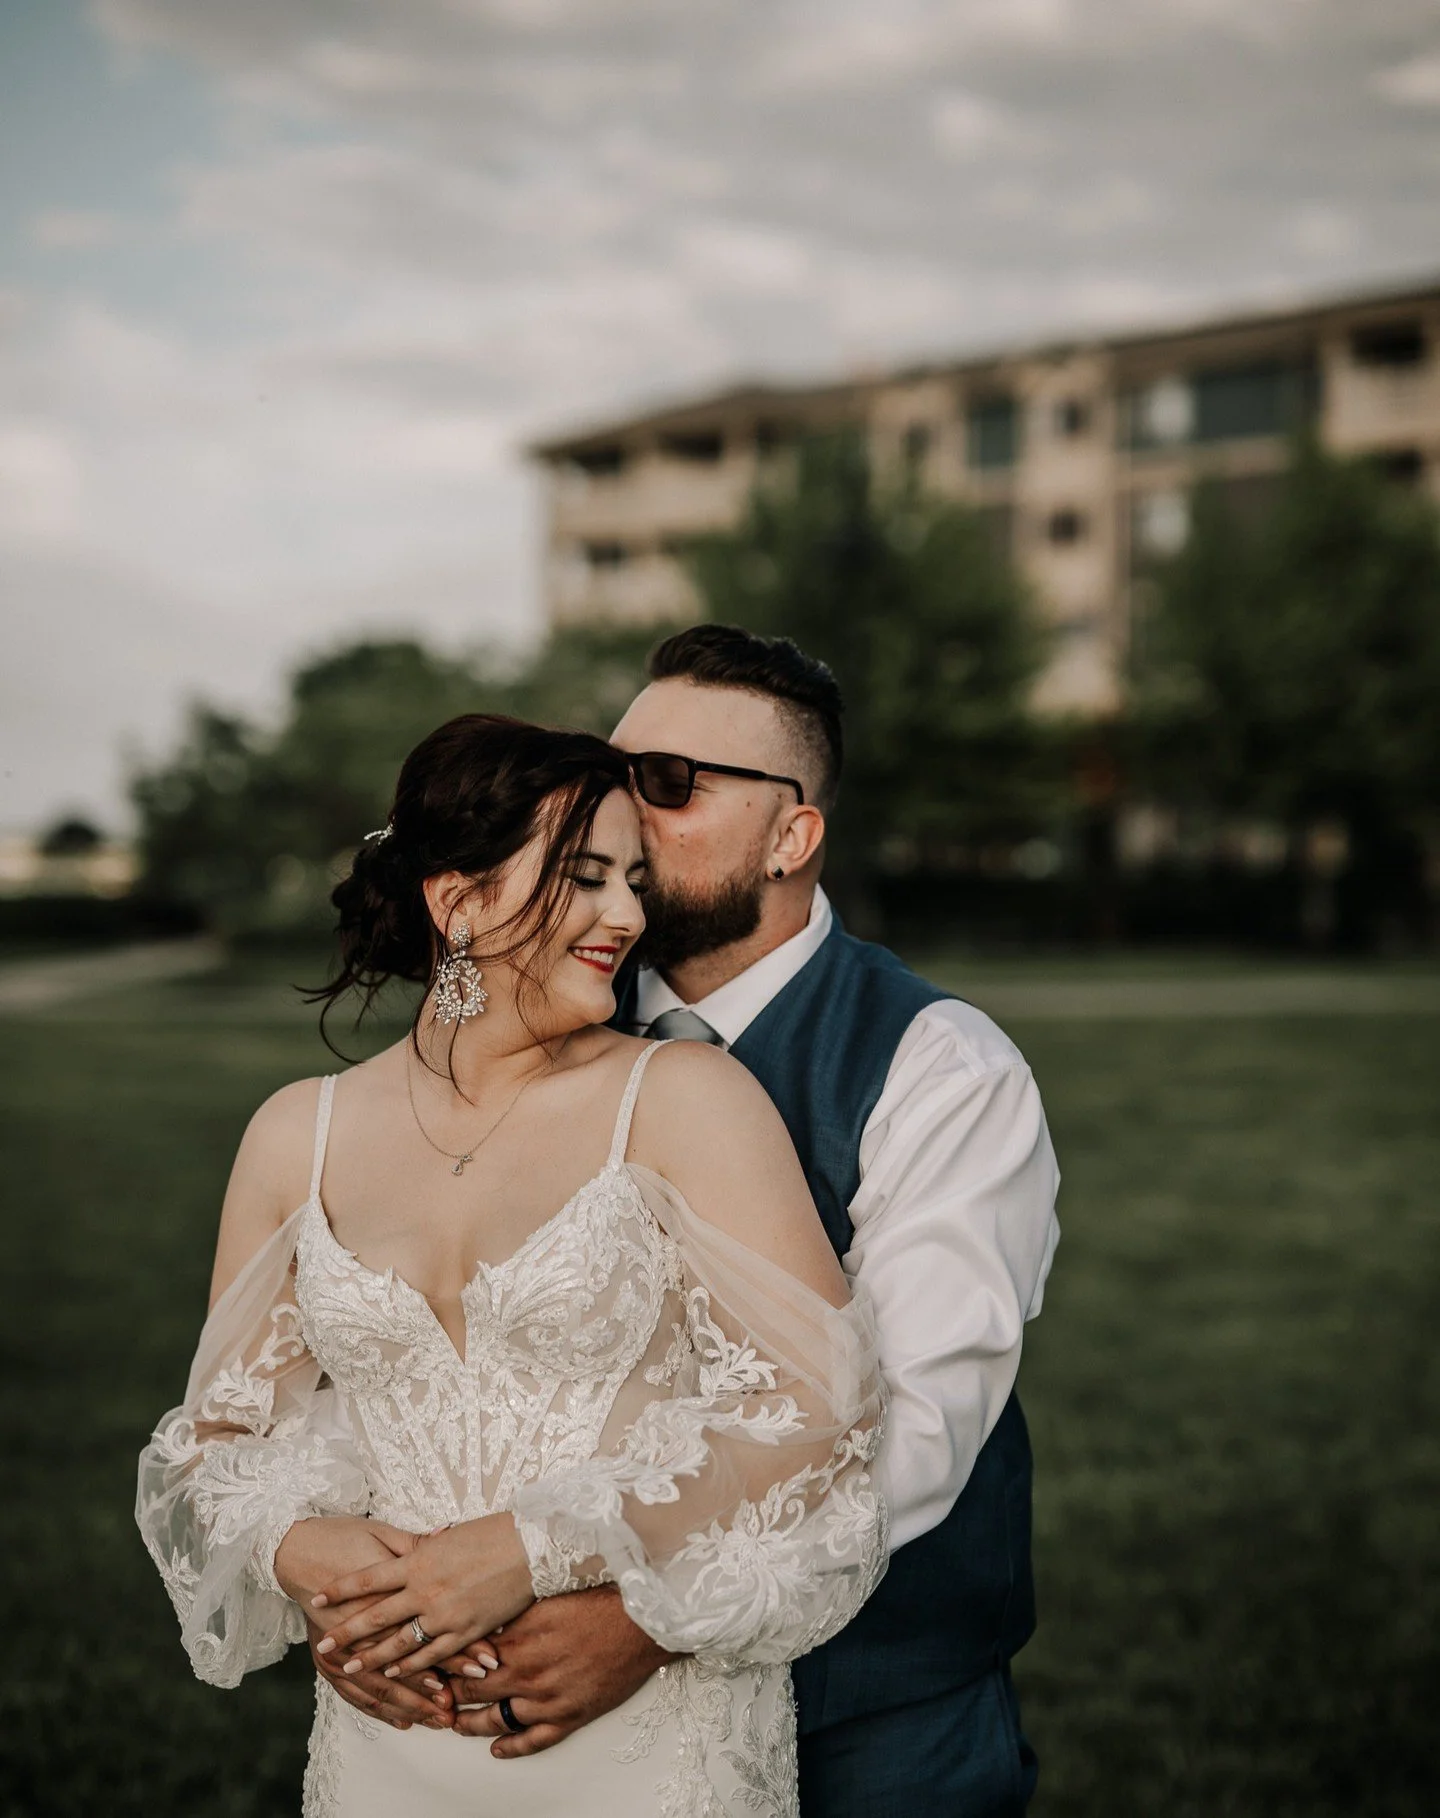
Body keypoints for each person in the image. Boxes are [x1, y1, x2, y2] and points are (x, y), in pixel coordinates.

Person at [342, 626, 1062, 1816]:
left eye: (670, 786)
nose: (622, 811)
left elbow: (918, 1423)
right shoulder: (544, 1015)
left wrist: (650, 1616)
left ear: (792, 835)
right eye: (616, 773)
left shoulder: (942, 1068)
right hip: (532, 1719)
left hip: (872, 1716)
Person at [136, 712, 887, 1818]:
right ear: (459, 900)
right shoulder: (298, 1136)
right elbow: (211, 1445)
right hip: (387, 1737)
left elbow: (821, 1405)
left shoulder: (681, 1100)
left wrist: (534, 1548)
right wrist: (301, 1550)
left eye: (635, 878)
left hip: (643, 1745)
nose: (629, 914)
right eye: (585, 877)